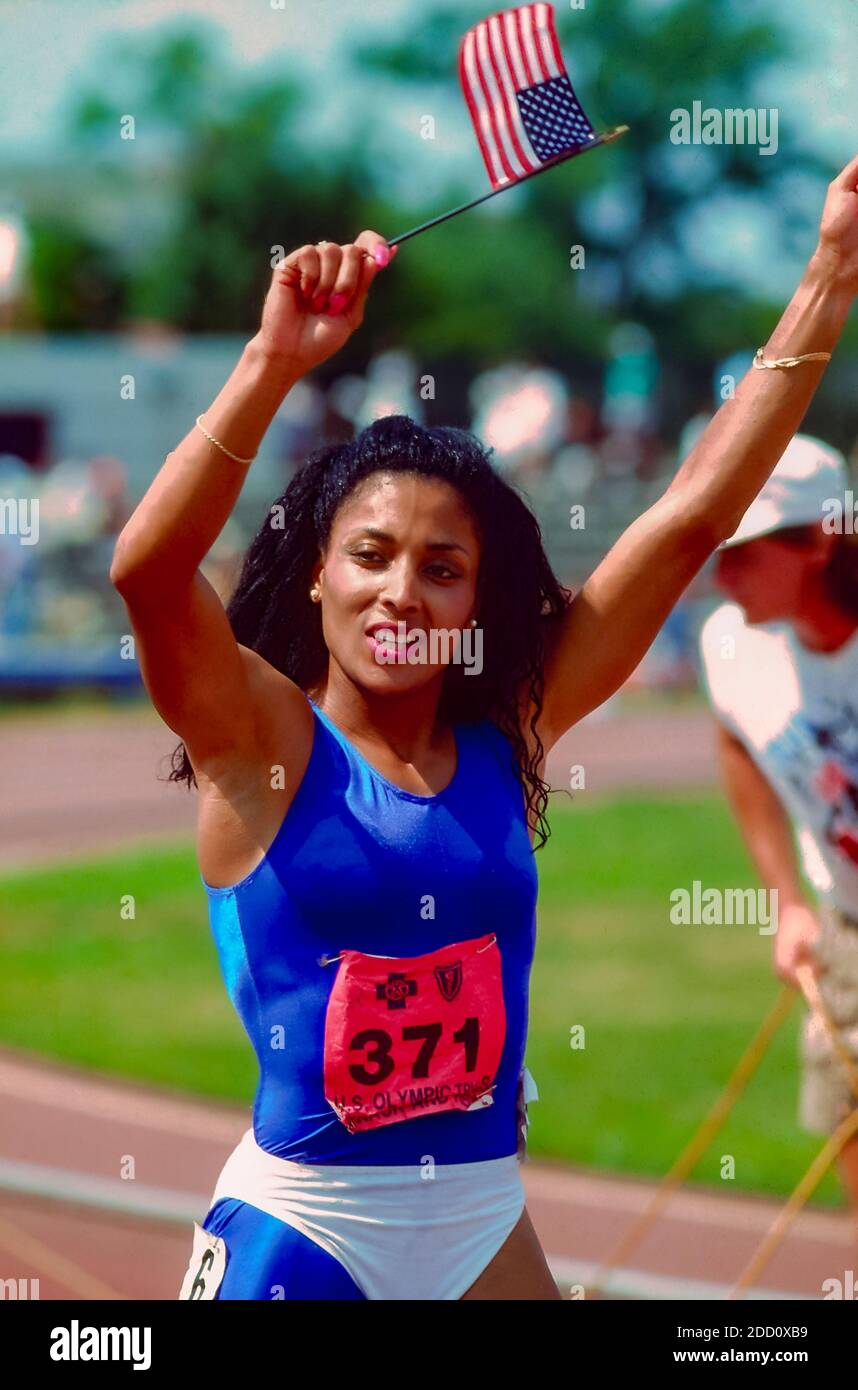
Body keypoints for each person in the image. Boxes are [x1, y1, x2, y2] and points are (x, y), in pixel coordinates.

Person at [111, 157, 858, 1300]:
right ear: (315, 576)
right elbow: (151, 570)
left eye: (443, 568)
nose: (403, 592)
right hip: (306, 1232)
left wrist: (830, 273)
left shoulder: (513, 730)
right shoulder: (259, 736)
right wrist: (272, 363)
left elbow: (696, 512)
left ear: (478, 601)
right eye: (369, 556)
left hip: (481, 1227)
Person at [699, 433, 858, 1239]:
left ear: (818, 541)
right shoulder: (731, 645)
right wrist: (788, 900)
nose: (717, 576)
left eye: (740, 551)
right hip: (843, 932)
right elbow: (738, 741)